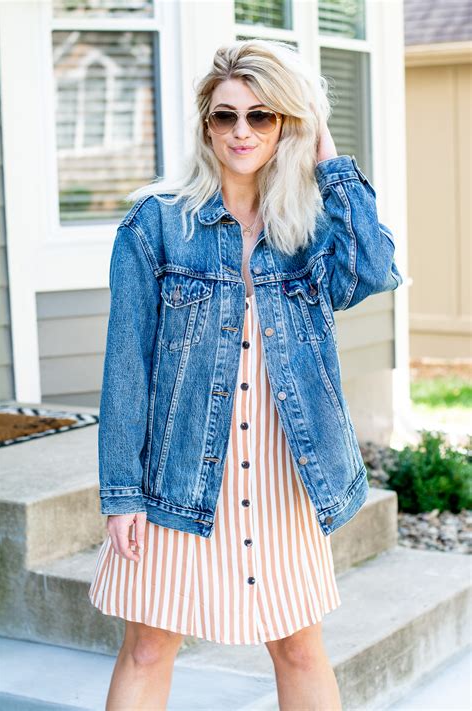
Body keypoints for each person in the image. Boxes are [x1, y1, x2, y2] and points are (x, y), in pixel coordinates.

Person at [88, 39, 403, 710]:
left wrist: (324, 146)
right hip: (176, 472)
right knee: (148, 647)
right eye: (226, 115)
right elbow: (126, 367)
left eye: (262, 116)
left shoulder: (309, 227)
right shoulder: (156, 227)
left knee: (298, 647)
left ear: (286, 123)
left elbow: (372, 269)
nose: (241, 131)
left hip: (283, 473)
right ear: (206, 124)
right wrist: (121, 491)